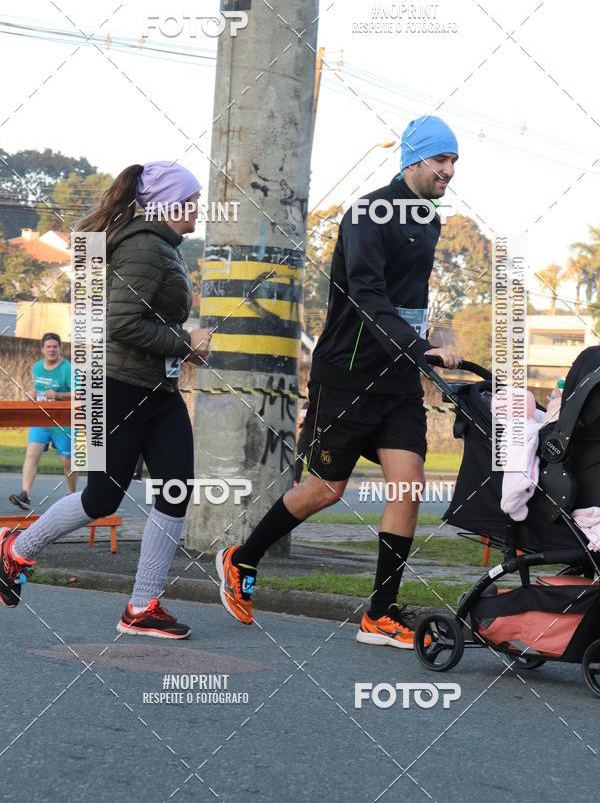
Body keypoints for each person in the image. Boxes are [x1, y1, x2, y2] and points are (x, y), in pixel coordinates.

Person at [216, 115, 462, 649]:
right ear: (413, 159)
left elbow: (411, 299)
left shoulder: (429, 219)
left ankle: (379, 614)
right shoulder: (368, 213)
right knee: (326, 489)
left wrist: (436, 338)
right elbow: (367, 294)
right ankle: (242, 558)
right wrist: (417, 345)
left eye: (454, 162)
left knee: (409, 485)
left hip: (399, 377)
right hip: (348, 376)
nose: (449, 171)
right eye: (441, 160)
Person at [0, 161, 212, 639]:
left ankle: (141, 606)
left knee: (175, 489)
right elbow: (122, 324)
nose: (200, 208)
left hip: (156, 390)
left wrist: (185, 345)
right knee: (101, 498)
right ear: (171, 204)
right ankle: (16, 549)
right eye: (193, 200)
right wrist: (186, 341)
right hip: (111, 389)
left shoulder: (163, 247)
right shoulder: (144, 247)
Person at [9, 333, 76, 511]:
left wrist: (58, 395)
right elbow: (36, 387)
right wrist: (31, 395)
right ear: (42, 349)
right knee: (31, 454)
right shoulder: (37, 367)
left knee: (66, 460)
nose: (52, 350)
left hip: (63, 422)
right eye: (48, 347)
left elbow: (79, 394)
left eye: (55, 347)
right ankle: (25, 495)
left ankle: (72, 494)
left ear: (60, 348)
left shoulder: (68, 369)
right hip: (41, 419)